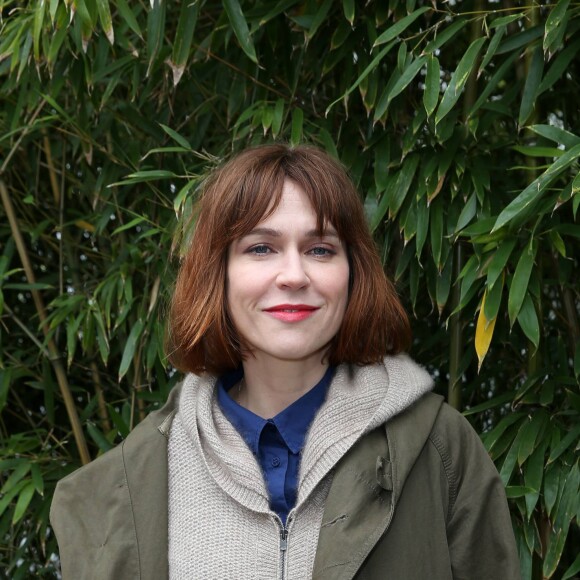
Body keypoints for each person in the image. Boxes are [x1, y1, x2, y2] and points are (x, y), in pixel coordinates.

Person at [50, 144, 520, 579]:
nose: (294, 275)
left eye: (320, 249)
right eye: (261, 248)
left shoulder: (439, 450)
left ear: (353, 273)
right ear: (219, 274)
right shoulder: (121, 488)